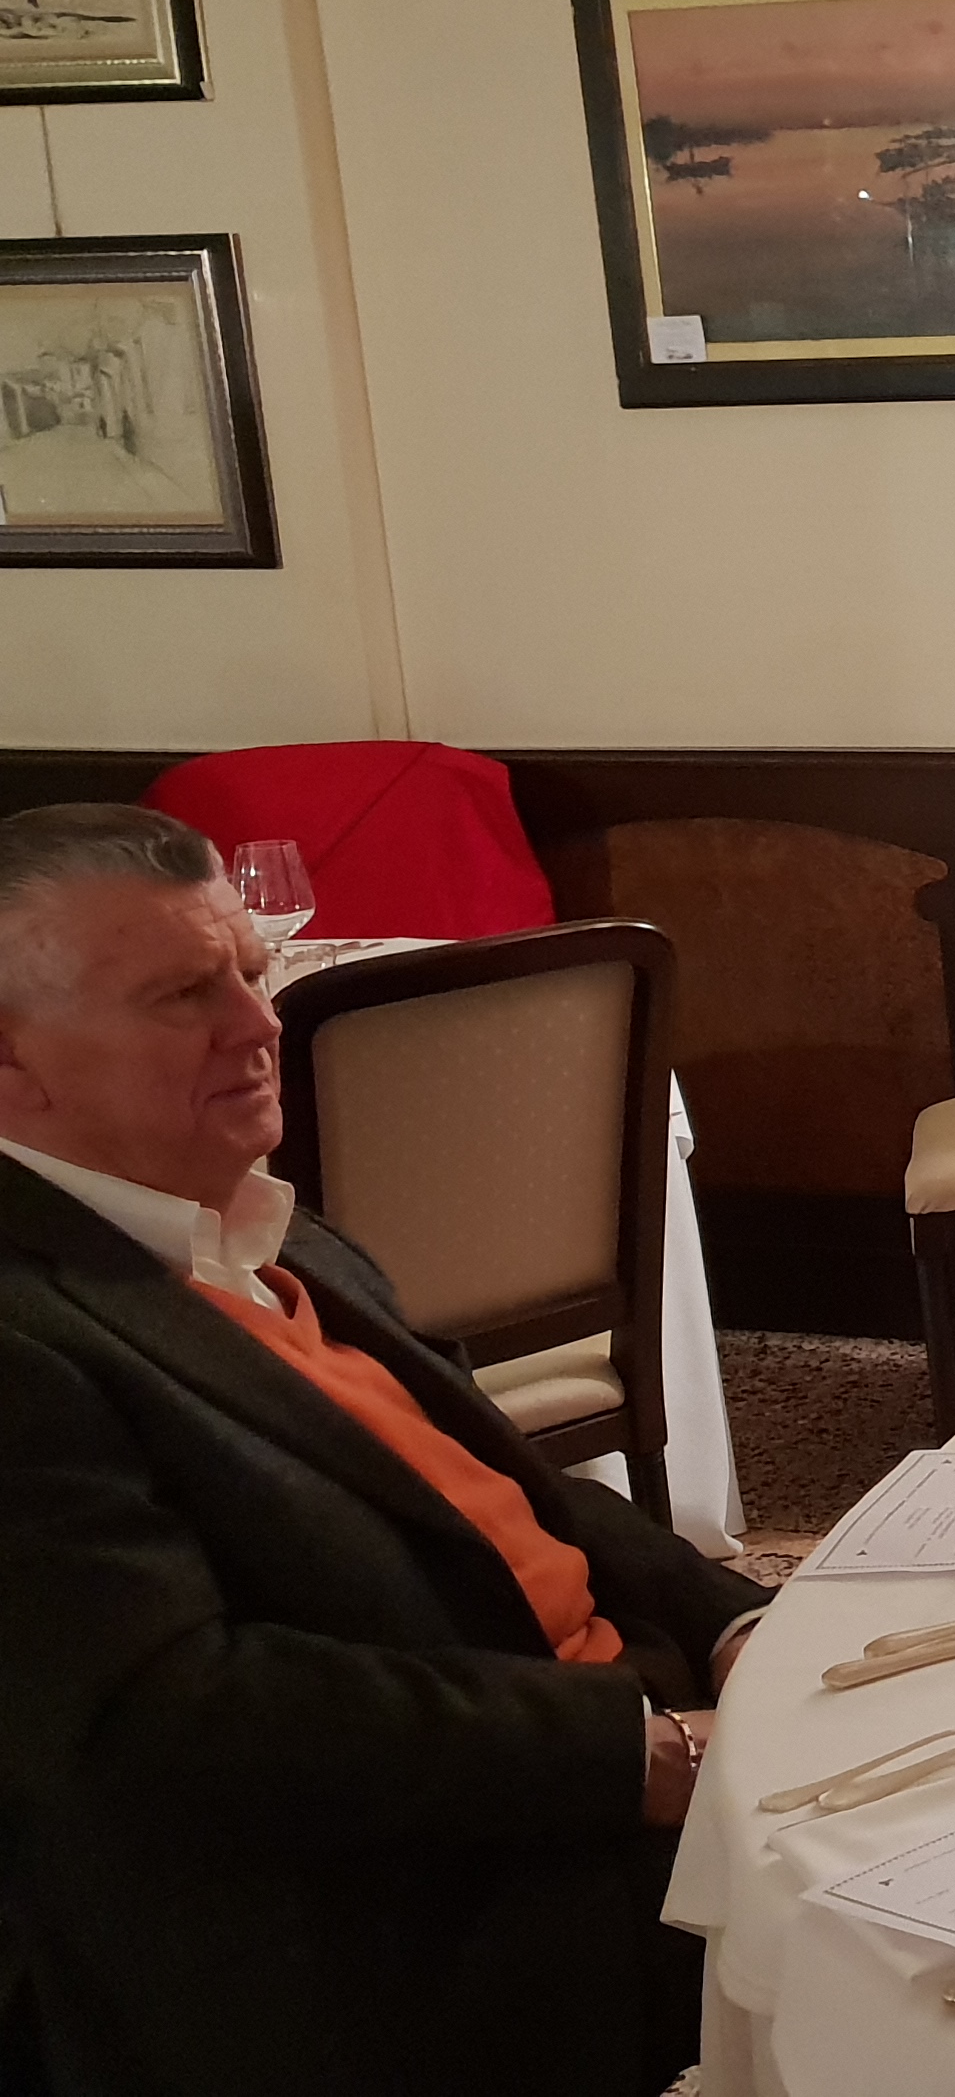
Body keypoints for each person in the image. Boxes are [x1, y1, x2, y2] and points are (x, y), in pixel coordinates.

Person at [0, 805, 767, 2096]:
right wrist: (640, 1758)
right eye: (184, 995)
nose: (259, 1026)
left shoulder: (272, 1232)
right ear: (11, 1061)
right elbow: (175, 1725)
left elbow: (516, 1490)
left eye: (252, 972)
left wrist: (735, 1621)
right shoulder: (29, 1338)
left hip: (580, 1744)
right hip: (410, 1906)